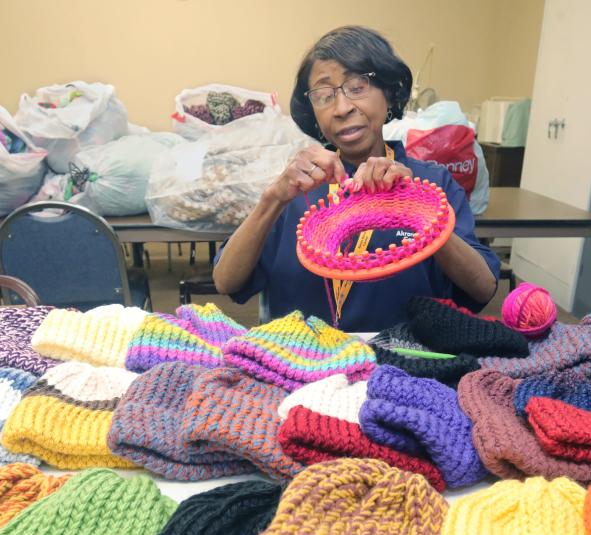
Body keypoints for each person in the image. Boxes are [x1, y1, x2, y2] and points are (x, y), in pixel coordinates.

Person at [213, 26, 499, 332]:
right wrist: (273, 199)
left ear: (389, 93)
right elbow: (226, 280)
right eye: (324, 96)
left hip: (404, 368)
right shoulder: (299, 188)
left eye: (358, 87)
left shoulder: (431, 184)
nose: (342, 108)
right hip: (306, 366)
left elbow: (483, 287)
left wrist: (415, 208)